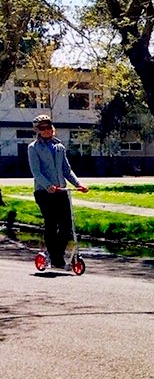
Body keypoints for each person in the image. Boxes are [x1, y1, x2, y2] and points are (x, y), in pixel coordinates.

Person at [27, 114, 89, 269]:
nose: (47, 130)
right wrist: (48, 186)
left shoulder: (59, 147)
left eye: (48, 127)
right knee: (51, 223)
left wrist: (78, 184)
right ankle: (56, 258)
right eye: (42, 128)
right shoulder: (33, 148)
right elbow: (36, 172)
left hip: (61, 191)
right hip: (44, 192)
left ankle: (57, 254)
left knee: (67, 224)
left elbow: (66, 170)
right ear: (37, 130)